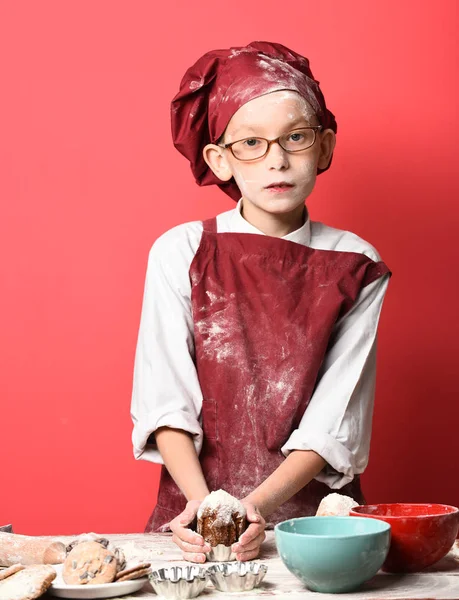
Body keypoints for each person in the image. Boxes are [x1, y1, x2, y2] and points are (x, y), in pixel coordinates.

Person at [130, 41, 391, 563]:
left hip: (317, 530)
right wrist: (210, 511)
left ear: (324, 147)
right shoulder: (182, 251)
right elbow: (166, 401)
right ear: (219, 160)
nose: (276, 158)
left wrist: (253, 510)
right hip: (192, 524)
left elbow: (334, 420)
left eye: (295, 137)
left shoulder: (356, 263)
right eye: (251, 142)